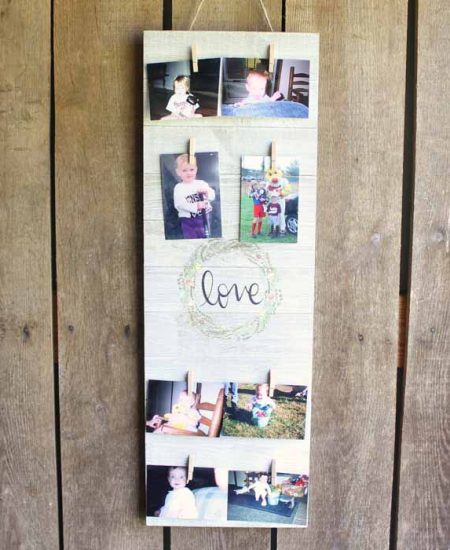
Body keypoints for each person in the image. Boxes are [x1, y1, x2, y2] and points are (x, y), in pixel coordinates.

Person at [173, 153, 216, 239]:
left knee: (205, 237)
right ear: (178, 172)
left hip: (204, 217)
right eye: (184, 170)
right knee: (191, 239)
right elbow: (179, 204)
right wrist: (196, 206)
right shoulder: (179, 187)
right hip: (188, 220)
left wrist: (207, 193)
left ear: (196, 170)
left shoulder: (202, 183)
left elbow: (212, 195)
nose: (188, 173)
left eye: (191, 169)